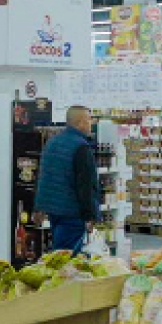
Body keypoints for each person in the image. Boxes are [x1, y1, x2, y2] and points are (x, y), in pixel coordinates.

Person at [34, 105, 101, 253]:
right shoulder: (81, 147)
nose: (92, 123)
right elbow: (85, 185)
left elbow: (44, 177)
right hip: (73, 212)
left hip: (54, 211)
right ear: (80, 123)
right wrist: (90, 215)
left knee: (60, 253)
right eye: (89, 120)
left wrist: (39, 207)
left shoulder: (52, 143)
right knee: (67, 259)